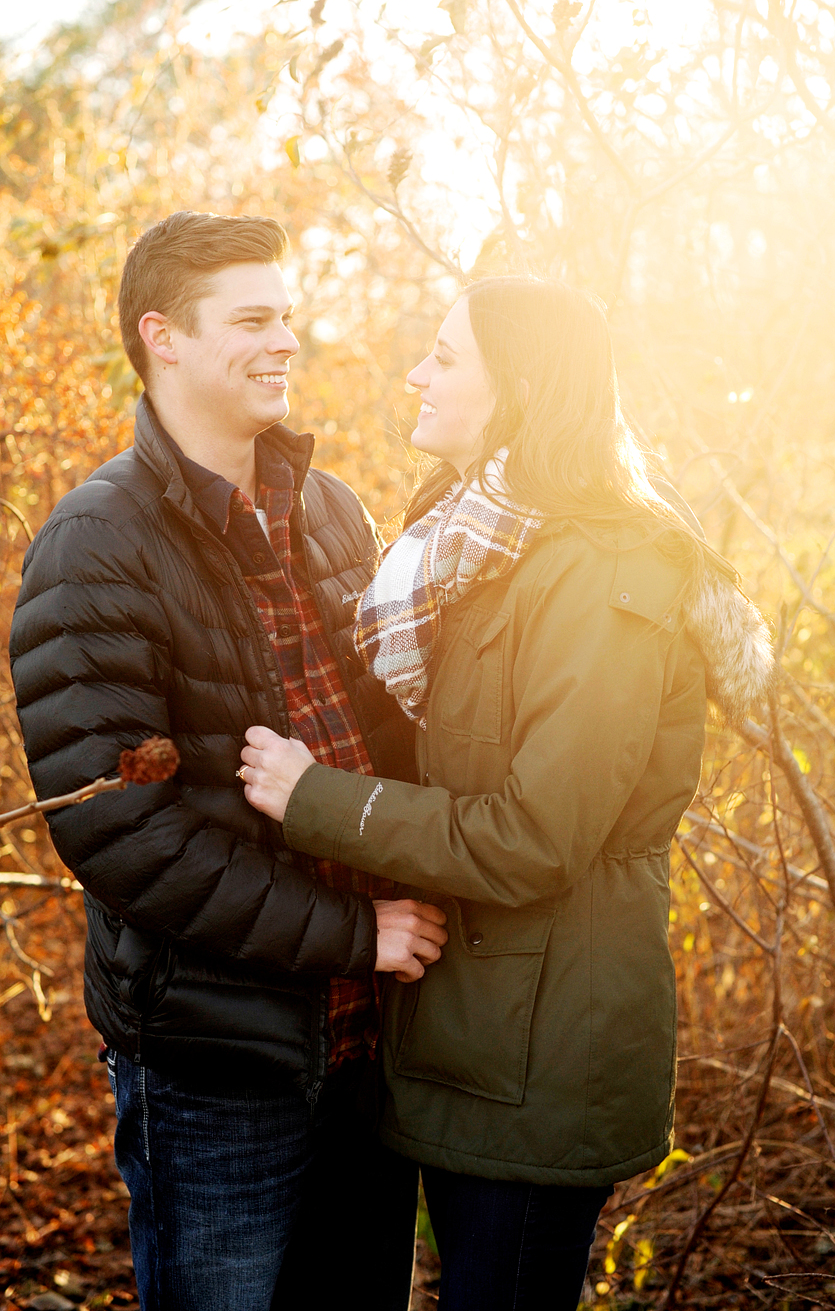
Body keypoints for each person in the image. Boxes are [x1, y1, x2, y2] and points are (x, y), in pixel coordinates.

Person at [237, 276, 775, 1310]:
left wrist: (322, 800)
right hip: (453, 1026)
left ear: (519, 387)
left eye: (444, 357)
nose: (416, 375)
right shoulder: (469, 538)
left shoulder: (604, 571)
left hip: (541, 1049)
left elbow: (536, 834)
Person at [9, 210, 449, 1311]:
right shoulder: (95, 544)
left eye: (288, 317)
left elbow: (401, 736)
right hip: (217, 1061)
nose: (286, 342)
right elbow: (121, 835)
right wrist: (355, 932)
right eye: (254, 320)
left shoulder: (333, 512)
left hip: (369, 1043)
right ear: (162, 335)